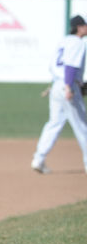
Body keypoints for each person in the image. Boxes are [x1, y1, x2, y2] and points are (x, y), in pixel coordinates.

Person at [31, 14, 87, 175]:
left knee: (54, 123)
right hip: (67, 86)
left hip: (56, 86)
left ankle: (38, 159)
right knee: (82, 126)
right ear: (80, 27)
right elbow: (70, 67)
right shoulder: (78, 43)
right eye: (85, 25)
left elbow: (55, 65)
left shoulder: (64, 41)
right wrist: (69, 87)